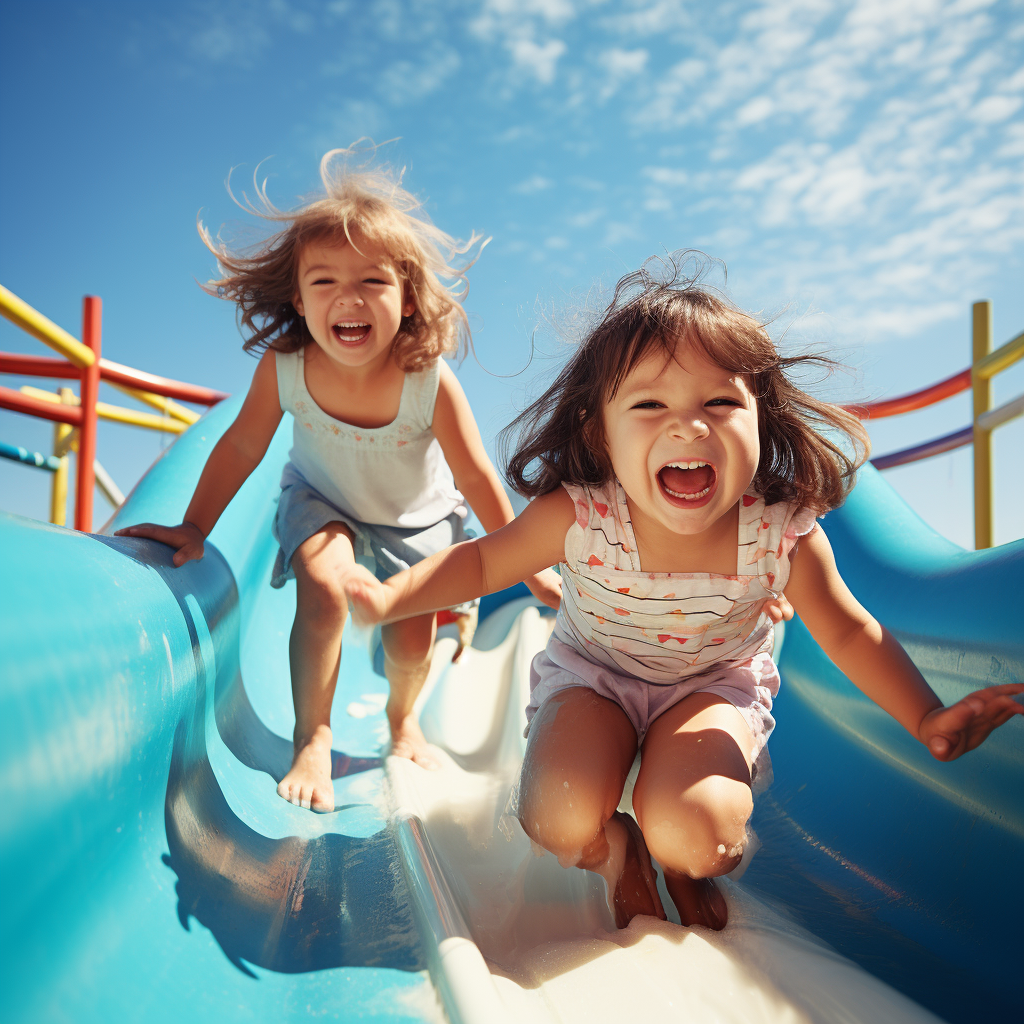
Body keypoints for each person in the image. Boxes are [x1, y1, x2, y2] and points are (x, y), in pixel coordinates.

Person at [342, 255, 1024, 930]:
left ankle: (682, 861)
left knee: (696, 830)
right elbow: (482, 565)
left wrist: (926, 715)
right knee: (559, 814)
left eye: (720, 402)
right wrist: (387, 597)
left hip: (712, 687)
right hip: (594, 680)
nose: (688, 425)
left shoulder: (780, 535)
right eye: (649, 404)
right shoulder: (582, 516)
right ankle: (618, 852)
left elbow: (847, 630)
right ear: (598, 432)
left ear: (763, 419)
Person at [117, 149, 561, 813]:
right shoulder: (287, 366)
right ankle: (313, 736)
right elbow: (243, 445)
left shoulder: (428, 380)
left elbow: (472, 474)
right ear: (299, 298)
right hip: (322, 501)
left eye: (372, 282)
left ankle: (403, 721)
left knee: (409, 640)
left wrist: (527, 566)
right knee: (324, 589)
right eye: (324, 282)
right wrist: (195, 526)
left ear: (407, 298)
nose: (347, 298)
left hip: (421, 519)